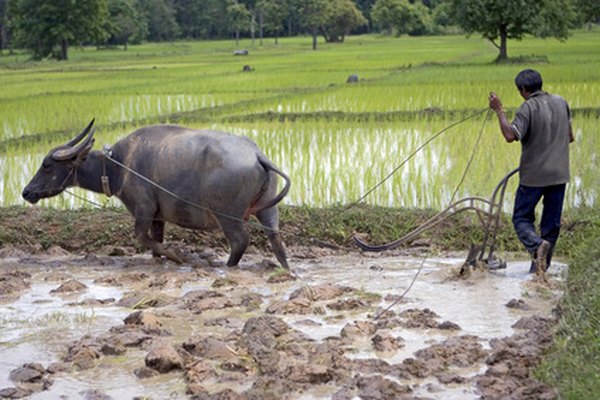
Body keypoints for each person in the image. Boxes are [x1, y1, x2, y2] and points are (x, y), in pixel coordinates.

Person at [488, 69, 574, 276]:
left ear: (524, 90)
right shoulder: (561, 102)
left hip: (534, 176)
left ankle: (536, 248)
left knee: (521, 218)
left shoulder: (528, 107)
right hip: (559, 174)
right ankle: (540, 272)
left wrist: (499, 110)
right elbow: (569, 137)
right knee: (551, 225)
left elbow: (510, 135)